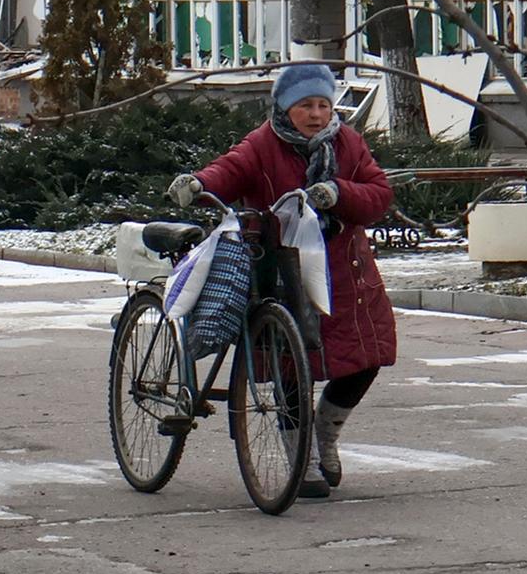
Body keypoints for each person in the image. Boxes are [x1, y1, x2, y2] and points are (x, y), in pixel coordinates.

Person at [167, 62, 397, 499]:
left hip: (345, 274)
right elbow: (229, 170)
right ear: (284, 108)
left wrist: (340, 193)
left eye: (323, 105)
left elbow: (379, 194)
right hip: (281, 271)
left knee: (370, 355)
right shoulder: (262, 144)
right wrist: (197, 183)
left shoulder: (347, 143)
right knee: (294, 364)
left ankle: (324, 433)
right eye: (305, 106)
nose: (315, 114)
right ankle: (301, 450)